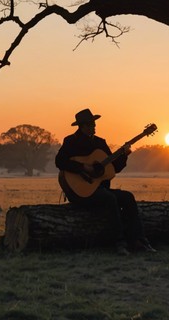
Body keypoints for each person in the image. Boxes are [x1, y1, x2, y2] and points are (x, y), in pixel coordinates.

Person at [55, 108, 155, 255]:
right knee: (109, 198)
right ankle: (119, 242)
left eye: (94, 124)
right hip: (80, 192)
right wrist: (83, 167)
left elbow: (112, 168)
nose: (94, 127)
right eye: (91, 124)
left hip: (100, 188)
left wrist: (124, 155)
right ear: (82, 126)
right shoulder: (71, 141)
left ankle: (139, 240)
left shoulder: (100, 143)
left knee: (127, 197)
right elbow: (60, 162)